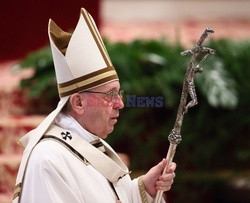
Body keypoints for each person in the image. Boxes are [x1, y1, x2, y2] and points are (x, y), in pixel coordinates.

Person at [13, 8, 176, 203]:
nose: (120, 103)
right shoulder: (49, 160)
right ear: (78, 102)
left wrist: (143, 190)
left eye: (119, 93)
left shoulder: (92, 143)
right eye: (110, 95)